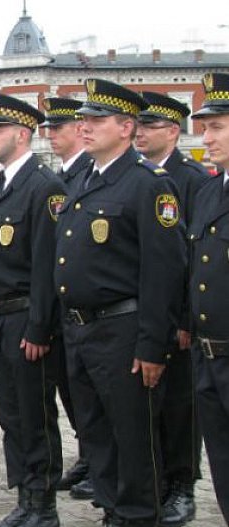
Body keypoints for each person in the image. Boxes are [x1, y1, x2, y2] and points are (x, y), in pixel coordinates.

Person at [55, 78, 186, 527]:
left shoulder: (147, 184)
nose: (85, 128)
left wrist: (152, 346)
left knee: (133, 438)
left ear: (126, 127)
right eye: (84, 121)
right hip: (81, 330)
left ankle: (138, 515)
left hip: (123, 332)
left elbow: (164, 273)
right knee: (96, 434)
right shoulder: (83, 181)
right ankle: (114, 511)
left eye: (97, 121)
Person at [0, 93, 65, 527]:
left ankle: (43, 502)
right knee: (11, 415)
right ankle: (25, 496)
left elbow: (48, 265)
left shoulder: (43, 186)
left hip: (25, 318)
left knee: (35, 413)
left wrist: (40, 327)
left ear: (22, 134)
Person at [135, 91, 209, 526]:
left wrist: (184, 319)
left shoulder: (191, 179)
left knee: (180, 406)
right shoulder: (140, 176)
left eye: (150, 127)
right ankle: (158, 479)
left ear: (173, 132)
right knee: (152, 404)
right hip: (146, 312)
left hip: (179, 318)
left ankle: (182, 485)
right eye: (139, 125)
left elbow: (192, 257)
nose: (141, 133)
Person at [40, 97, 95, 501]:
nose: (50, 135)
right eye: (49, 128)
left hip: (88, 309)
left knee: (88, 393)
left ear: (79, 129)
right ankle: (89, 454)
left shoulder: (87, 174)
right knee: (71, 388)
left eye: (58, 128)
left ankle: (96, 457)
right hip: (61, 307)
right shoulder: (62, 176)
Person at [187, 72, 229, 524]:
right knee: (221, 462)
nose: (206, 138)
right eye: (205, 127)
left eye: (216, 127)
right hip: (209, 355)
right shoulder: (208, 192)